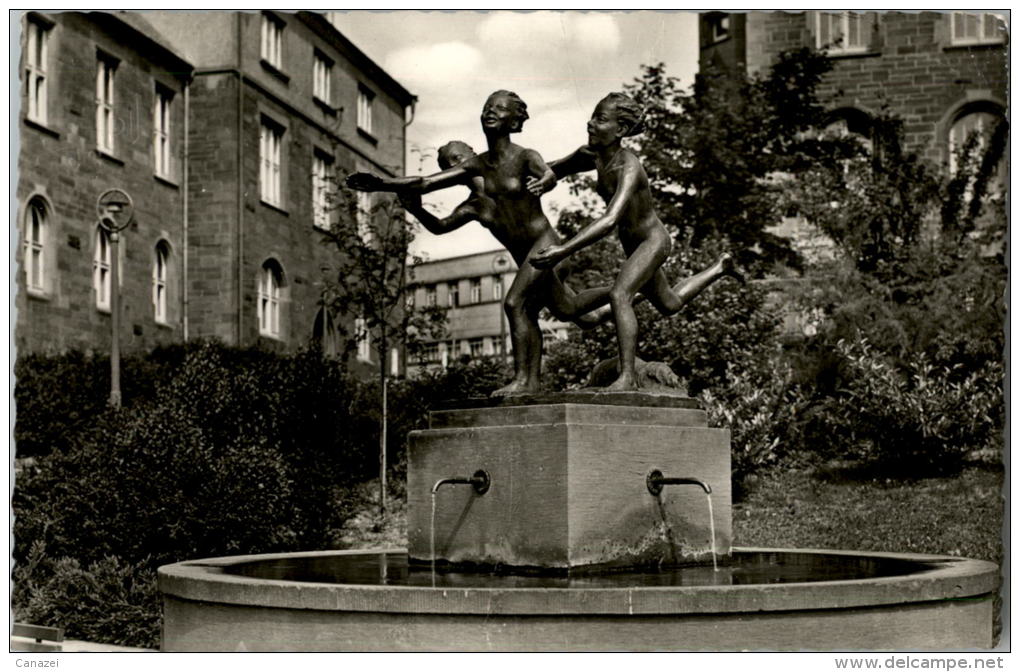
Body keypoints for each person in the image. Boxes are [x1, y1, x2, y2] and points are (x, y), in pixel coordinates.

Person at [347, 91, 611, 396]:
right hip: (528, 258)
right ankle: (626, 294)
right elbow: (436, 215)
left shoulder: (522, 157)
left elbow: (551, 171)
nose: (454, 165)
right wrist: (396, 193)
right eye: (449, 163)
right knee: (572, 312)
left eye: (458, 158)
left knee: (515, 304)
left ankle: (526, 382)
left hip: (547, 248)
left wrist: (547, 179)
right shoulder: (473, 203)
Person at [531, 92, 743, 391]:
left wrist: (563, 250)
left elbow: (608, 221)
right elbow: (556, 169)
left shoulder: (628, 167)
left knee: (620, 295)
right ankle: (720, 267)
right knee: (670, 303)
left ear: (621, 130)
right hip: (633, 244)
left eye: (601, 120)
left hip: (653, 242)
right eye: (592, 116)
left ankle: (627, 377)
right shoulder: (591, 155)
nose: (590, 123)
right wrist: (535, 179)